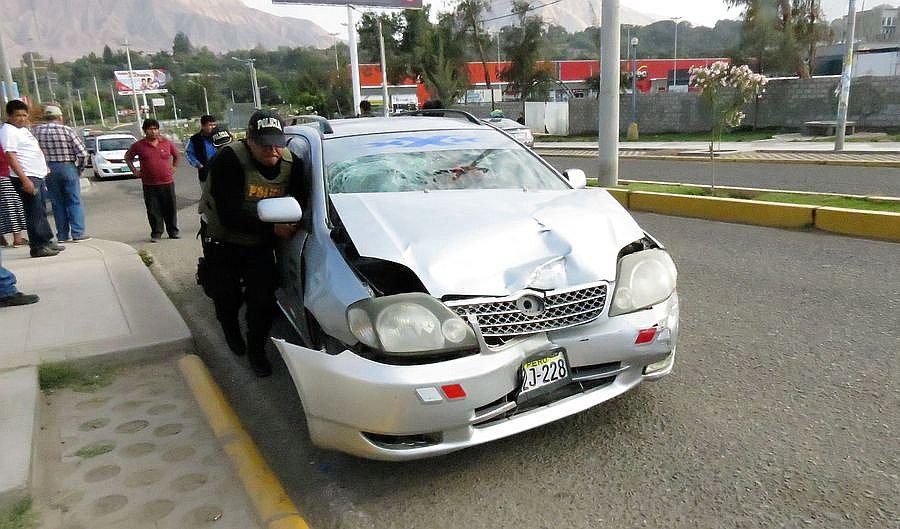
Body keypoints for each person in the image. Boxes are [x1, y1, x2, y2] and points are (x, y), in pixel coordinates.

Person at [199, 110, 308, 377]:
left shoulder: (291, 164)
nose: (272, 150)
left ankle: (256, 350)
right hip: (223, 239)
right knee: (227, 296)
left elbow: (299, 202)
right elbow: (228, 216)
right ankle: (230, 329)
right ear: (249, 140)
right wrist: (273, 227)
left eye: (276, 143)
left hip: (259, 243)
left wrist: (290, 224)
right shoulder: (229, 159)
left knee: (262, 301)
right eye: (264, 144)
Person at [0, 100, 61, 258]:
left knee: (40, 210)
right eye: (17, 115)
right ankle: (38, 246)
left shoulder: (22, 130)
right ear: (9, 116)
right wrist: (24, 179)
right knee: (33, 211)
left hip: (36, 174)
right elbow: (11, 156)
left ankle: (46, 240)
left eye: (24, 115)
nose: (21, 118)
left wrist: (43, 166)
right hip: (26, 176)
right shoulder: (8, 131)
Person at [33, 105, 91, 242]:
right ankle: (78, 233)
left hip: (48, 169)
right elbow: (83, 154)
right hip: (67, 166)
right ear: (60, 117)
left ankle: (62, 235)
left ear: (45, 117)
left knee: (57, 203)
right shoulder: (66, 130)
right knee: (73, 201)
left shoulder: (35, 131)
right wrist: (79, 169)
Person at [125, 119, 180, 242]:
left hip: (167, 182)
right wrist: (135, 171)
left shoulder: (166, 143)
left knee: (170, 208)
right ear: (145, 131)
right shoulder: (139, 145)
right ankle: (156, 233)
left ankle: (173, 231)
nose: (154, 131)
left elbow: (176, 155)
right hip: (149, 184)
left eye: (155, 128)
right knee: (153, 210)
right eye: (150, 129)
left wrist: (174, 167)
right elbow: (128, 157)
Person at [0, 138, 28, 247]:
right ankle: (18, 239)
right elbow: (6, 158)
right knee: (12, 206)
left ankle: (2, 238)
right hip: (4, 175)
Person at [186, 115, 217, 183]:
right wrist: (198, 164)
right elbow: (189, 153)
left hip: (220, 171)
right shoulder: (195, 139)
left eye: (214, 125)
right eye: (210, 125)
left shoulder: (219, 136)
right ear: (203, 126)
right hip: (205, 174)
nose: (213, 127)